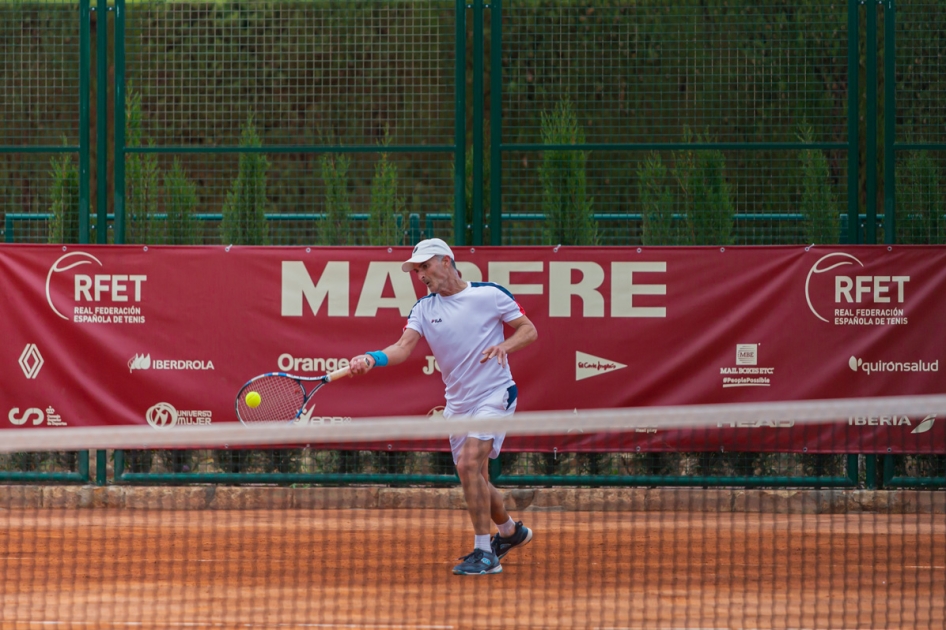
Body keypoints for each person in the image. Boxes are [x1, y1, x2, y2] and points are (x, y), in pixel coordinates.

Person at [349, 238, 538, 575]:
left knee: (467, 466)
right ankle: (510, 532)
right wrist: (371, 358)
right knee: (475, 478)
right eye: (417, 269)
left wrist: (504, 346)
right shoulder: (424, 309)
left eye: (425, 266)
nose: (420, 274)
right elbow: (403, 347)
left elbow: (528, 329)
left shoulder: (489, 294)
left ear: (446, 261)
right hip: (458, 404)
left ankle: (485, 554)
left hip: (495, 393)